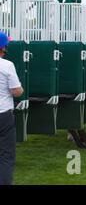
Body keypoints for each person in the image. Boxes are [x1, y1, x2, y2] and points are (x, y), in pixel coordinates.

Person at [0, 31, 24, 185]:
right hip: (3, 115)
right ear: (3, 47)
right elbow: (17, 91)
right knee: (6, 156)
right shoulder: (7, 65)